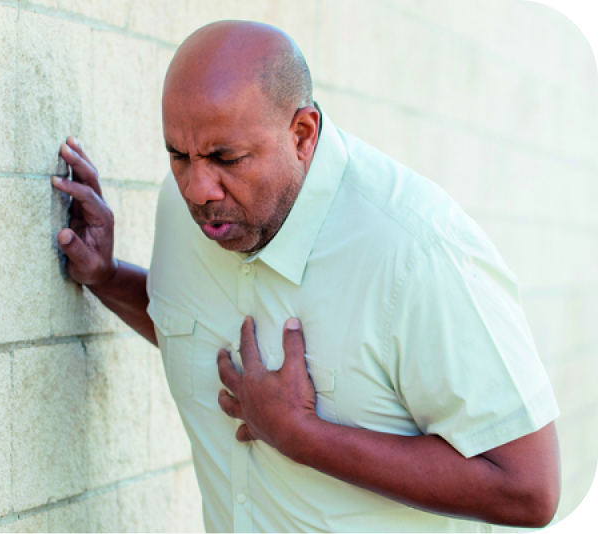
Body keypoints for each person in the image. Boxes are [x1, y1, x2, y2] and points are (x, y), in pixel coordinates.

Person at [51, 20, 561, 533]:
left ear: (302, 134)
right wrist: (107, 277)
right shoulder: (193, 209)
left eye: (226, 157)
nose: (198, 188)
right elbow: (194, 327)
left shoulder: (418, 251)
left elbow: (528, 490)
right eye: (178, 155)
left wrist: (303, 437)